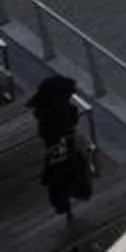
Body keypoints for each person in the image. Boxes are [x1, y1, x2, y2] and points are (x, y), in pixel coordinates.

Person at [29, 72, 94, 218]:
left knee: (61, 176)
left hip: (56, 149)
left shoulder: (46, 113)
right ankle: (72, 197)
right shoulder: (62, 111)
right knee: (72, 171)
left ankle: (66, 204)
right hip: (65, 146)